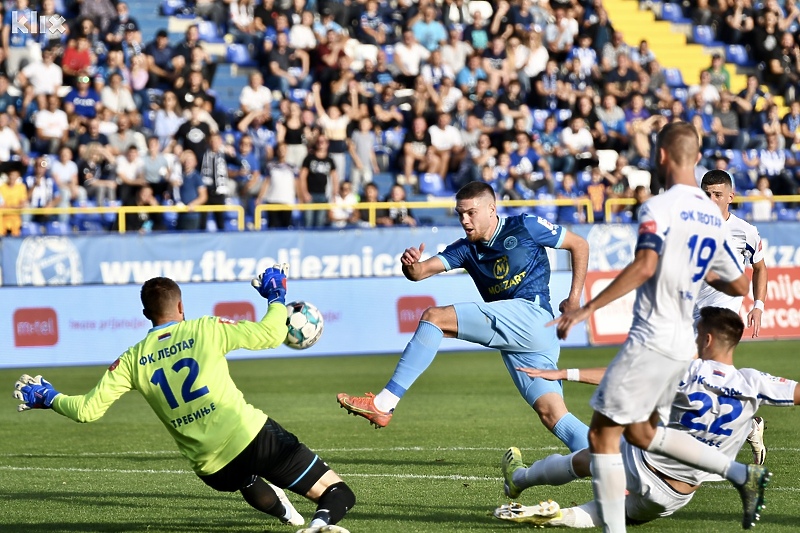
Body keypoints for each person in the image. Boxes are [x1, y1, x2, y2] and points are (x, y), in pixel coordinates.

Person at [12, 269, 355, 533]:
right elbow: (271, 334)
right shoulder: (205, 328)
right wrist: (276, 297)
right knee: (338, 493)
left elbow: (87, 411)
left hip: (211, 467)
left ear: (146, 314)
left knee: (245, 480)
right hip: (252, 437)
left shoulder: (131, 359)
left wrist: (50, 397)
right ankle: (318, 524)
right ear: (180, 306)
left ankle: (291, 519)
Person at [550, 121, 767, 532]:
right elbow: (738, 281)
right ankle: (741, 474)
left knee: (602, 438)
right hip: (683, 342)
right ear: (697, 157)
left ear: (662, 156)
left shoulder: (659, 206)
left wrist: (587, 308)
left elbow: (646, 263)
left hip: (652, 335)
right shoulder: (710, 216)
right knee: (643, 432)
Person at [337, 181, 592, 455]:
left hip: (533, 317)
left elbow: (579, 244)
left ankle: (383, 404)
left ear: (492, 209)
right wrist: (410, 265)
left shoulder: (525, 225)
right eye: (460, 214)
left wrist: (575, 298)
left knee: (434, 317)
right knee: (552, 414)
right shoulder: (465, 249)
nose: (464, 220)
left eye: (471, 213)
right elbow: (420, 273)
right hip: (527, 340)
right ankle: (611, 458)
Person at [495, 307, 799, 529]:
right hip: (677, 495)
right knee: (614, 513)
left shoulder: (687, 370)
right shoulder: (754, 382)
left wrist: (564, 373)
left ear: (706, 339)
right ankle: (559, 516)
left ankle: (520, 478)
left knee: (588, 458)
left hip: (644, 462)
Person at [697, 170, 769, 466]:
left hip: (724, 305)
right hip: (691, 307)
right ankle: (749, 425)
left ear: (730, 197)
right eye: (705, 194)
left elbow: (760, 268)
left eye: (716, 195)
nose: (710, 200)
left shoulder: (745, 231)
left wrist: (758, 305)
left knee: (707, 367)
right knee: (694, 378)